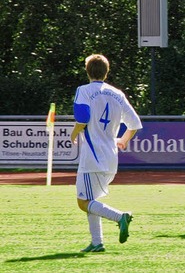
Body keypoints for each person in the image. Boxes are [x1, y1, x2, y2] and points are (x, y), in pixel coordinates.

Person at [71, 54, 143, 252]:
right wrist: (123, 140)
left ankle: (120, 217)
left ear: (87, 71)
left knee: (83, 202)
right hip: (111, 156)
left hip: (92, 158)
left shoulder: (83, 91)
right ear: (106, 71)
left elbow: (83, 117)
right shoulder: (117, 93)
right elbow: (135, 123)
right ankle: (97, 243)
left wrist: (74, 133)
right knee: (92, 200)